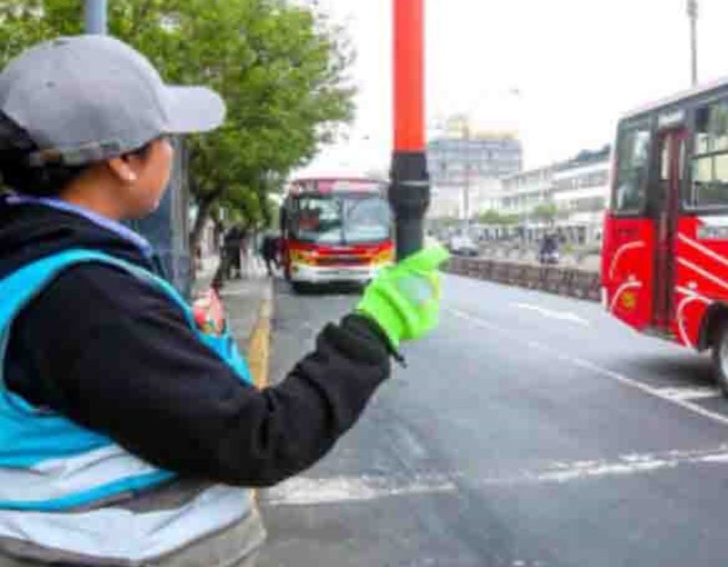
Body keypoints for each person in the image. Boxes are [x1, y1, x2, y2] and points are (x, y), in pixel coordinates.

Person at [0, 35, 448, 566]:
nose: (171, 151)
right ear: (123, 160)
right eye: (165, 137)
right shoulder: (86, 298)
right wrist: (377, 326)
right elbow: (259, 440)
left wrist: (188, 341)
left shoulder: (41, 262)